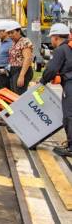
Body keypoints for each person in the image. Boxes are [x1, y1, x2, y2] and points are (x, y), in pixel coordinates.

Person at [39, 23, 72, 157]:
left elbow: (51, 69)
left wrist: (42, 81)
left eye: (51, 37)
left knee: (69, 115)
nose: (51, 40)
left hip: (70, 84)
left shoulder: (61, 50)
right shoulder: (70, 48)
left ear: (56, 37)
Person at [6, 22, 34, 95]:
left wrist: (21, 76)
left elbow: (27, 58)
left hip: (22, 70)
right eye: (8, 33)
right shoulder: (14, 43)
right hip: (14, 70)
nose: (10, 35)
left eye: (12, 32)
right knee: (14, 95)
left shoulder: (24, 41)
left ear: (19, 31)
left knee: (19, 95)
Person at [0, 20, 14, 90]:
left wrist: (6, 69)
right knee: (1, 93)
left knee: (6, 94)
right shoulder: (1, 42)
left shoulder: (11, 44)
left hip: (5, 74)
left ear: (5, 31)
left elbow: (14, 59)